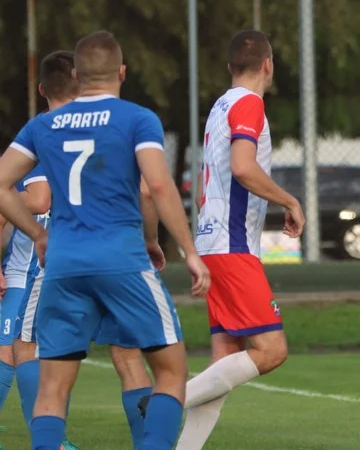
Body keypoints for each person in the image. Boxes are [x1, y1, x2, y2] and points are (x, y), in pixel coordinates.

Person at [0, 30, 210, 450]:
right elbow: (157, 187)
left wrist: (39, 233)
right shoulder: (136, 118)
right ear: (122, 71)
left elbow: (2, 183)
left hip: (61, 264)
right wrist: (188, 251)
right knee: (169, 370)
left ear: (77, 75)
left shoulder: (44, 125)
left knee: (53, 386)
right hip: (121, 259)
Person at [176, 30, 305, 450]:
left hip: (214, 241)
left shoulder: (219, 106)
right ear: (268, 65)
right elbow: (243, 167)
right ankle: (164, 399)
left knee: (224, 363)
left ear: (230, 67)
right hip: (231, 247)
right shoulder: (249, 103)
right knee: (271, 350)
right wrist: (290, 199)